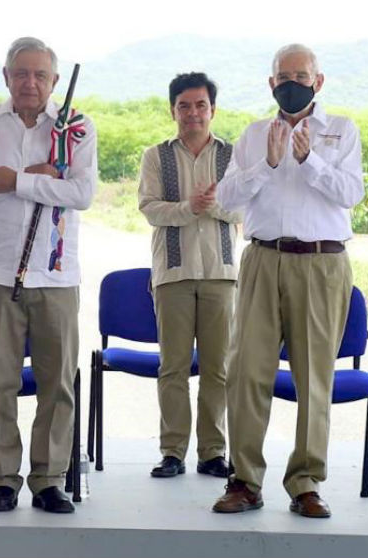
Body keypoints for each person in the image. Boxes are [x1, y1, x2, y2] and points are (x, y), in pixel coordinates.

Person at [212, 43, 364, 518]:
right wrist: (270, 164)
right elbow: (225, 196)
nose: (292, 83)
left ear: (318, 81)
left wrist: (309, 161)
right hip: (262, 259)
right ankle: (245, 480)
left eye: (302, 75)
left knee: (314, 377)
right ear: (271, 83)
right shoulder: (255, 134)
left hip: (321, 264)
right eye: (284, 76)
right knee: (245, 373)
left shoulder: (341, 131)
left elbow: (351, 194)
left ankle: (305, 483)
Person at [0, 36, 97, 513]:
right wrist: (36, 179)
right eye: (21, 73)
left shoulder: (75, 128)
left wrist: (10, 179)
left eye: (40, 75)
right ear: (6, 77)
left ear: (55, 82)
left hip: (54, 275)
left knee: (58, 383)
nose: (30, 82)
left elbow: (80, 194)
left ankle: (50, 478)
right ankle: (2, 479)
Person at [137, 72, 239, 480]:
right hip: (172, 274)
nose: (193, 113)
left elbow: (246, 212)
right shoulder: (155, 156)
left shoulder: (234, 156)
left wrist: (212, 207)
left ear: (212, 109)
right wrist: (188, 207)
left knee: (218, 368)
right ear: (173, 110)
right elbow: (149, 209)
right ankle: (172, 452)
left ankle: (214, 452)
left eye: (200, 105)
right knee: (173, 367)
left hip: (221, 273)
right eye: (184, 106)